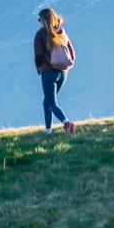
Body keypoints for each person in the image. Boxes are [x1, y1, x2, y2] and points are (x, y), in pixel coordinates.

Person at [34, 7, 76, 135]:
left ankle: (67, 123)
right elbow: (72, 53)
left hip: (48, 73)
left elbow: (39, 55)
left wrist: (39, 68)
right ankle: (48, 131)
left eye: (39, 19)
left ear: (42, 20)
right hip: (63, 73)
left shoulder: (40, 34)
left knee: (51, 103)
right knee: (46, 102)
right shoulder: (62, 32)